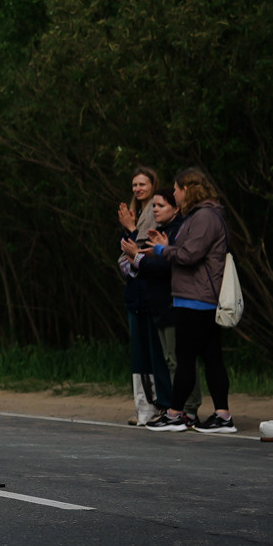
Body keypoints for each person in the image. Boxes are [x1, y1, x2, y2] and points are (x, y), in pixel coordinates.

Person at [150, 167, 236, 432]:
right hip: (198, 297)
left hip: (196, 298)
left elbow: (189, 255)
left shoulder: (205, 217)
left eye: (175, 189)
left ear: (187, 189)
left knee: (186, 357)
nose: (173, 193)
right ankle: (222, 415)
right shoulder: (202, 216)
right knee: (211, 357)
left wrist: (162, 250)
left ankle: (176, 414)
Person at [115, 168, 172, 425]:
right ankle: (145, 408)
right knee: (139, 356)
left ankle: (163, 405)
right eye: (134, 184)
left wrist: (131, 229)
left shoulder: (154, 211)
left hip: (152, 292)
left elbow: (143, 251)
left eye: (143, 184)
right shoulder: (137, 212)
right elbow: (125, 256)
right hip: (135, 294)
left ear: (153, 185)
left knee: (157, 353)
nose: (138, 189)